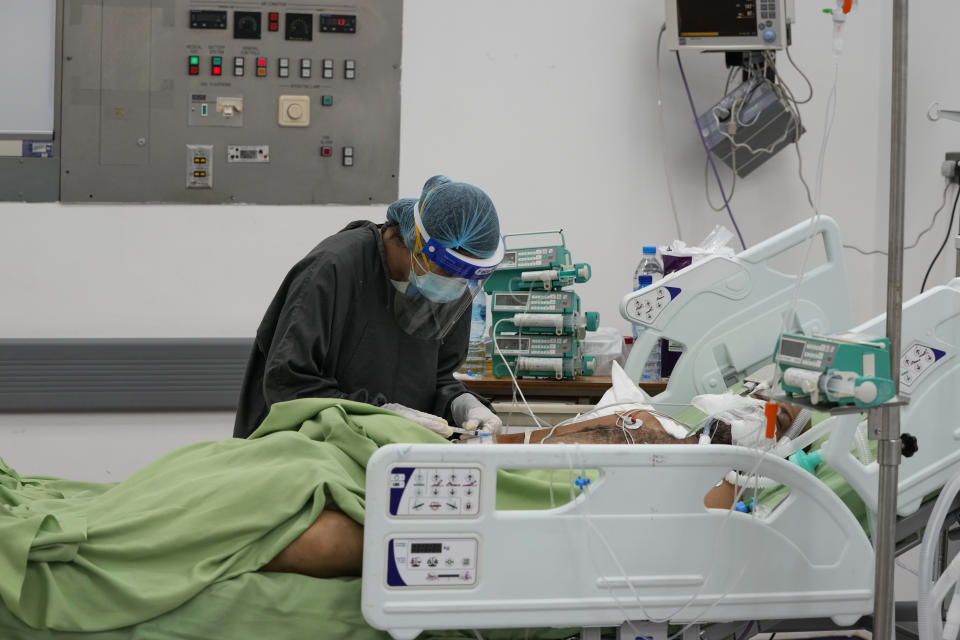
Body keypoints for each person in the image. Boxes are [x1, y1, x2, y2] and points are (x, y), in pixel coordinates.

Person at [234, 175, 506, 438]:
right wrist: (376, 415)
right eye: (450, 272)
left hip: (391, 459)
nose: (457, 285)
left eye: (467, 278)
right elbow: (288, 385)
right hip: (309, 454)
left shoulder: (449, 289)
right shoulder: (333, 268)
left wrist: (461, 403)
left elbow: (434, 382)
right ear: (419, 245)